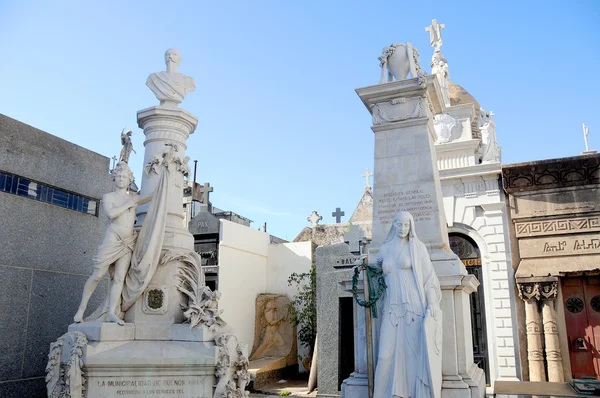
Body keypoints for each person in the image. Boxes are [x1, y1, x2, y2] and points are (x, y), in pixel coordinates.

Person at [373, 211, 442, 398]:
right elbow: (372, 270)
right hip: (391, 307)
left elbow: (429, 279)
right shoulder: (385, 249)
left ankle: (412, 394)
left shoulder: (417, 247)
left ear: (411, 226)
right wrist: (360, 265)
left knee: (413, 355)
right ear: (393, 225)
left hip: (413, 306)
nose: (403, 228)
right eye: (400, 224)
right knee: (384, 356)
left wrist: (433, 301)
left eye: (406, 225)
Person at [73, 162, 152, 325]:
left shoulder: (134, 198)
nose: (122, 179)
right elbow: (111, 214)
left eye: (125, 177)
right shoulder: (109, 197)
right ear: (114, 178)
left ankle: (111, 312)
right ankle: (81, 309)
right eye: (119, 176)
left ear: (130, 179)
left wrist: (165, 175)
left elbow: (153, 194)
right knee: (98, 275)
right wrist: (128, 204)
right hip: (113, 238)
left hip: (128, 242)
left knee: (119, 278)